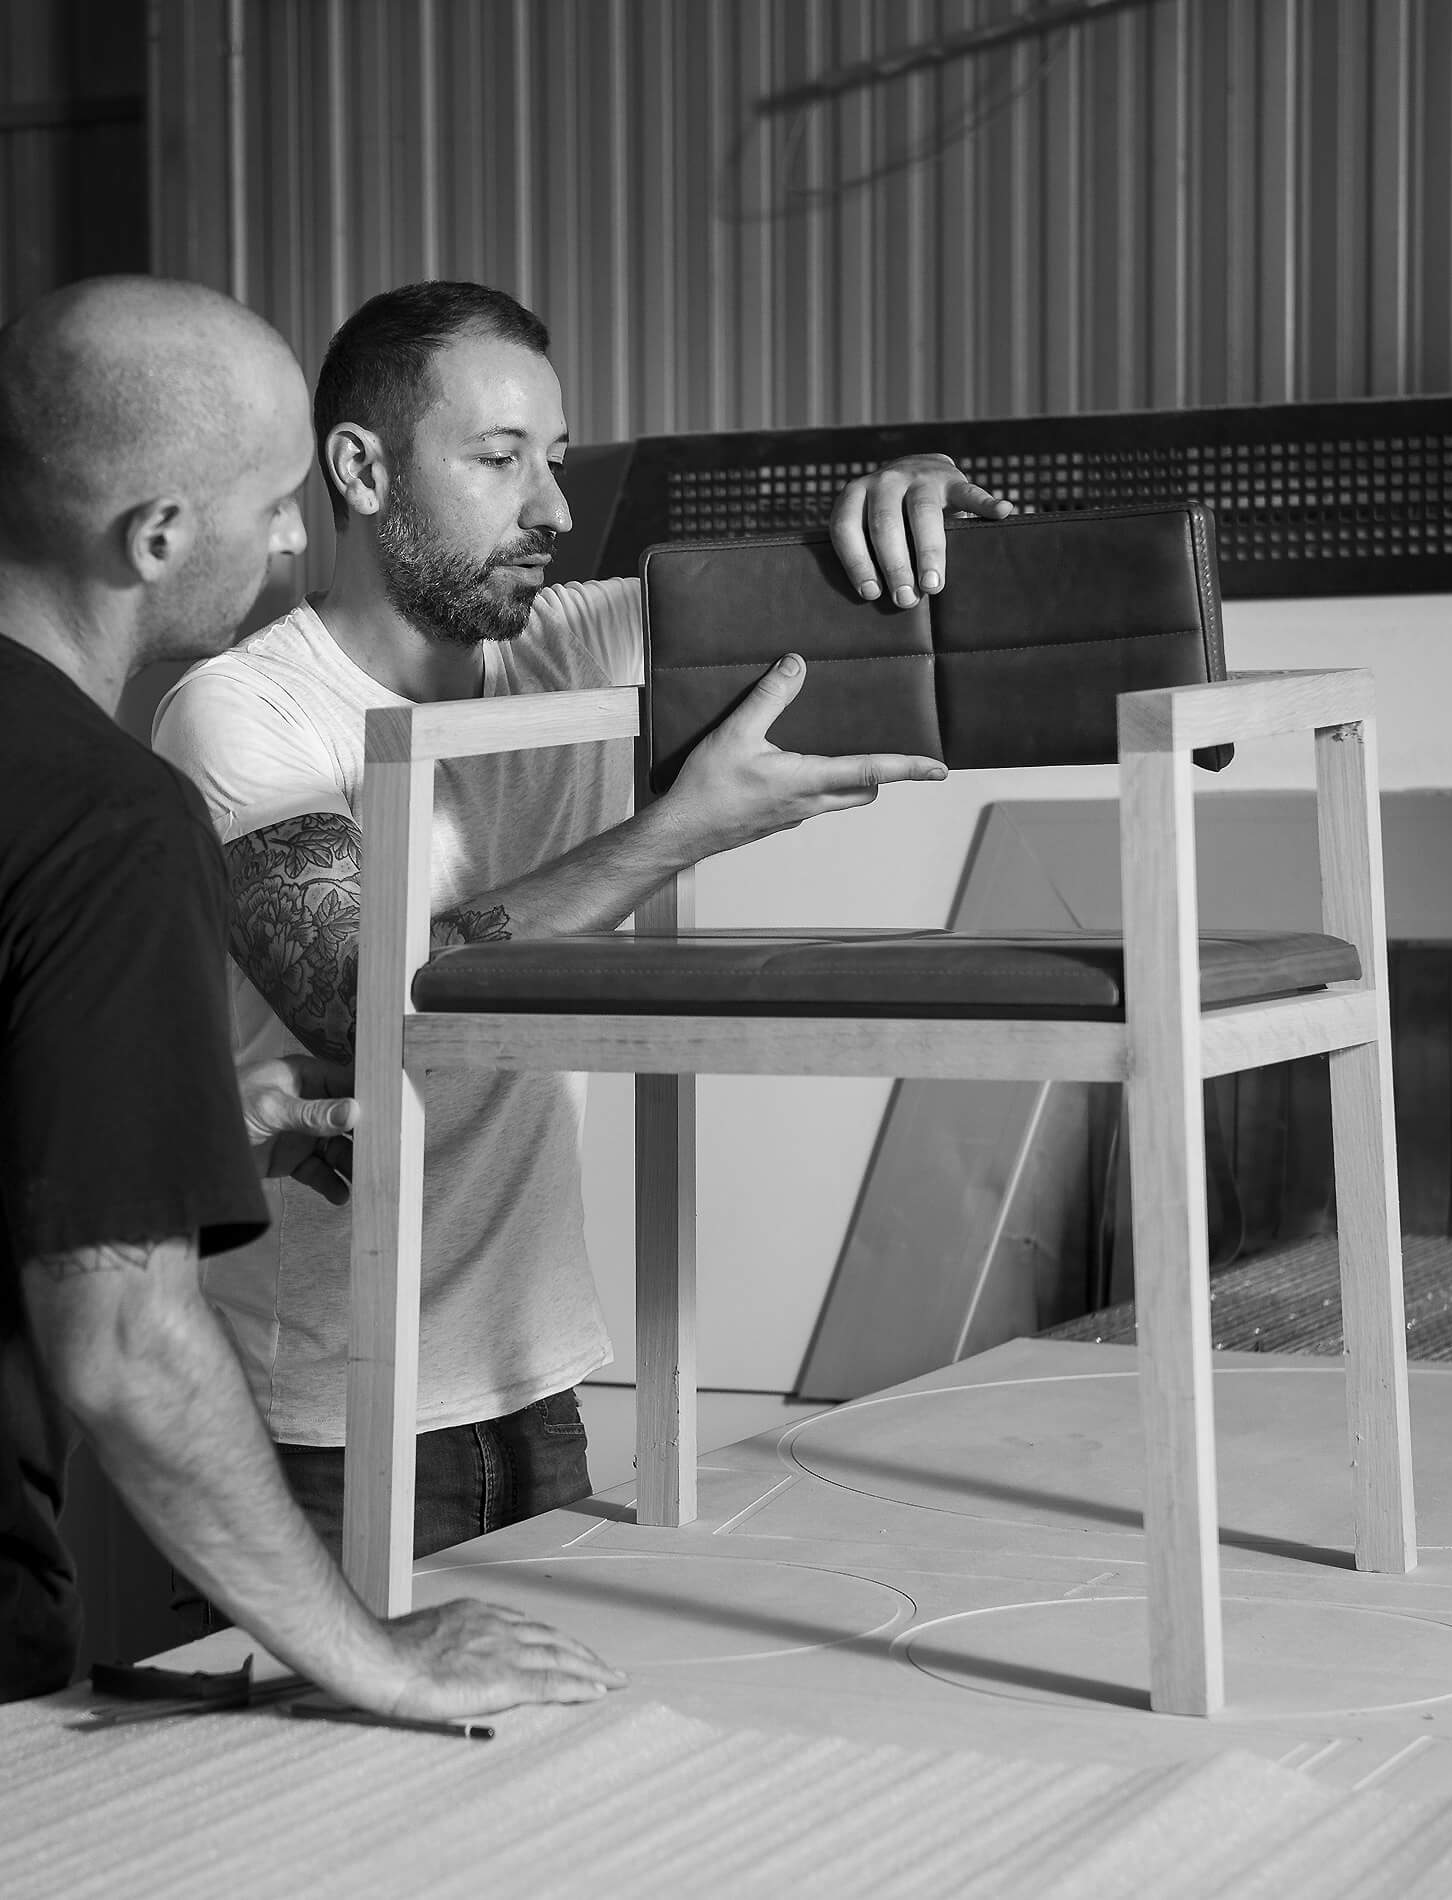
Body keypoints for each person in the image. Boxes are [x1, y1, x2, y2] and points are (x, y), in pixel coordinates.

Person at [0, 277, 622, 1845]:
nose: (296, 544)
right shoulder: (100, 818)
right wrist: (375, 1655)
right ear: (156, 537)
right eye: (275, 508)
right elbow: (126, 1352)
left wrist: (174, 1121)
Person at [152, 279, 1013, 1562]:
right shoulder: (245, 712)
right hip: (321, 1414)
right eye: (499, 460)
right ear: (361, 470)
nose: (551, 509)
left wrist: (935, 501)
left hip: (538, 1387)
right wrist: (675, 830)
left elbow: (937, 608)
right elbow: (362, 995)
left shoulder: (581, 641)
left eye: (551, 462)